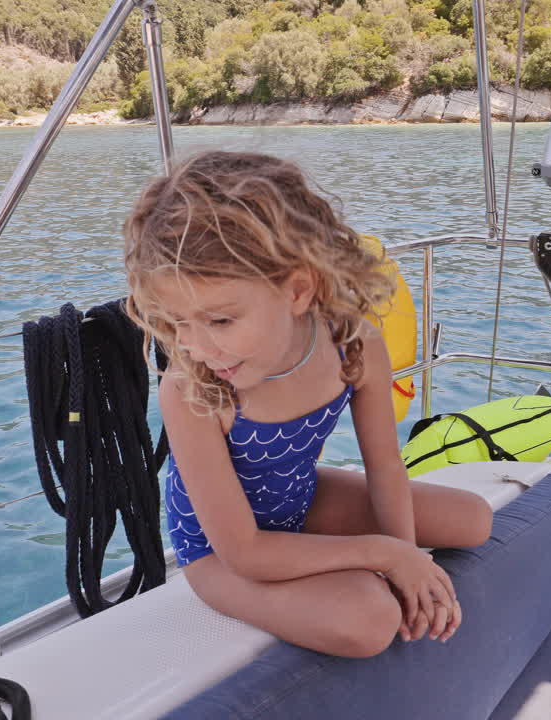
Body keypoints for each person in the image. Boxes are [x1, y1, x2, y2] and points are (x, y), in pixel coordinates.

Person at [124, 151, 493, 658]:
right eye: (177, 322)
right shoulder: (194, 390)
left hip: (302, 503)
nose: (196, 348)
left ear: (298, 289)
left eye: (220, 321)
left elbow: (385, 466)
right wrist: (382, 555)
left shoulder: (352, 345)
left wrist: (405, 559)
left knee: (474, 519)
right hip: (222, 557)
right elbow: (245, 553)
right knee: (369, 620)